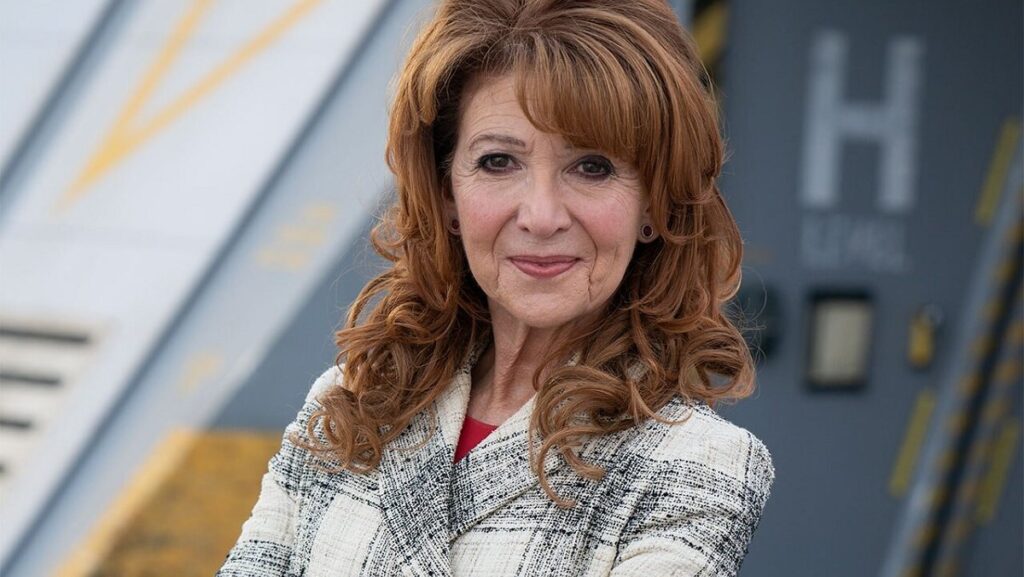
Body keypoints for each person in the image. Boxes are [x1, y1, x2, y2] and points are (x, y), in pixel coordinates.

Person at [217, 0, 774, 575]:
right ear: (447, 195)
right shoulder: (350, 403)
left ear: (655, 203)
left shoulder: (697, 464)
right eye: (499, 161)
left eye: (593, 167)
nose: (540, 215)